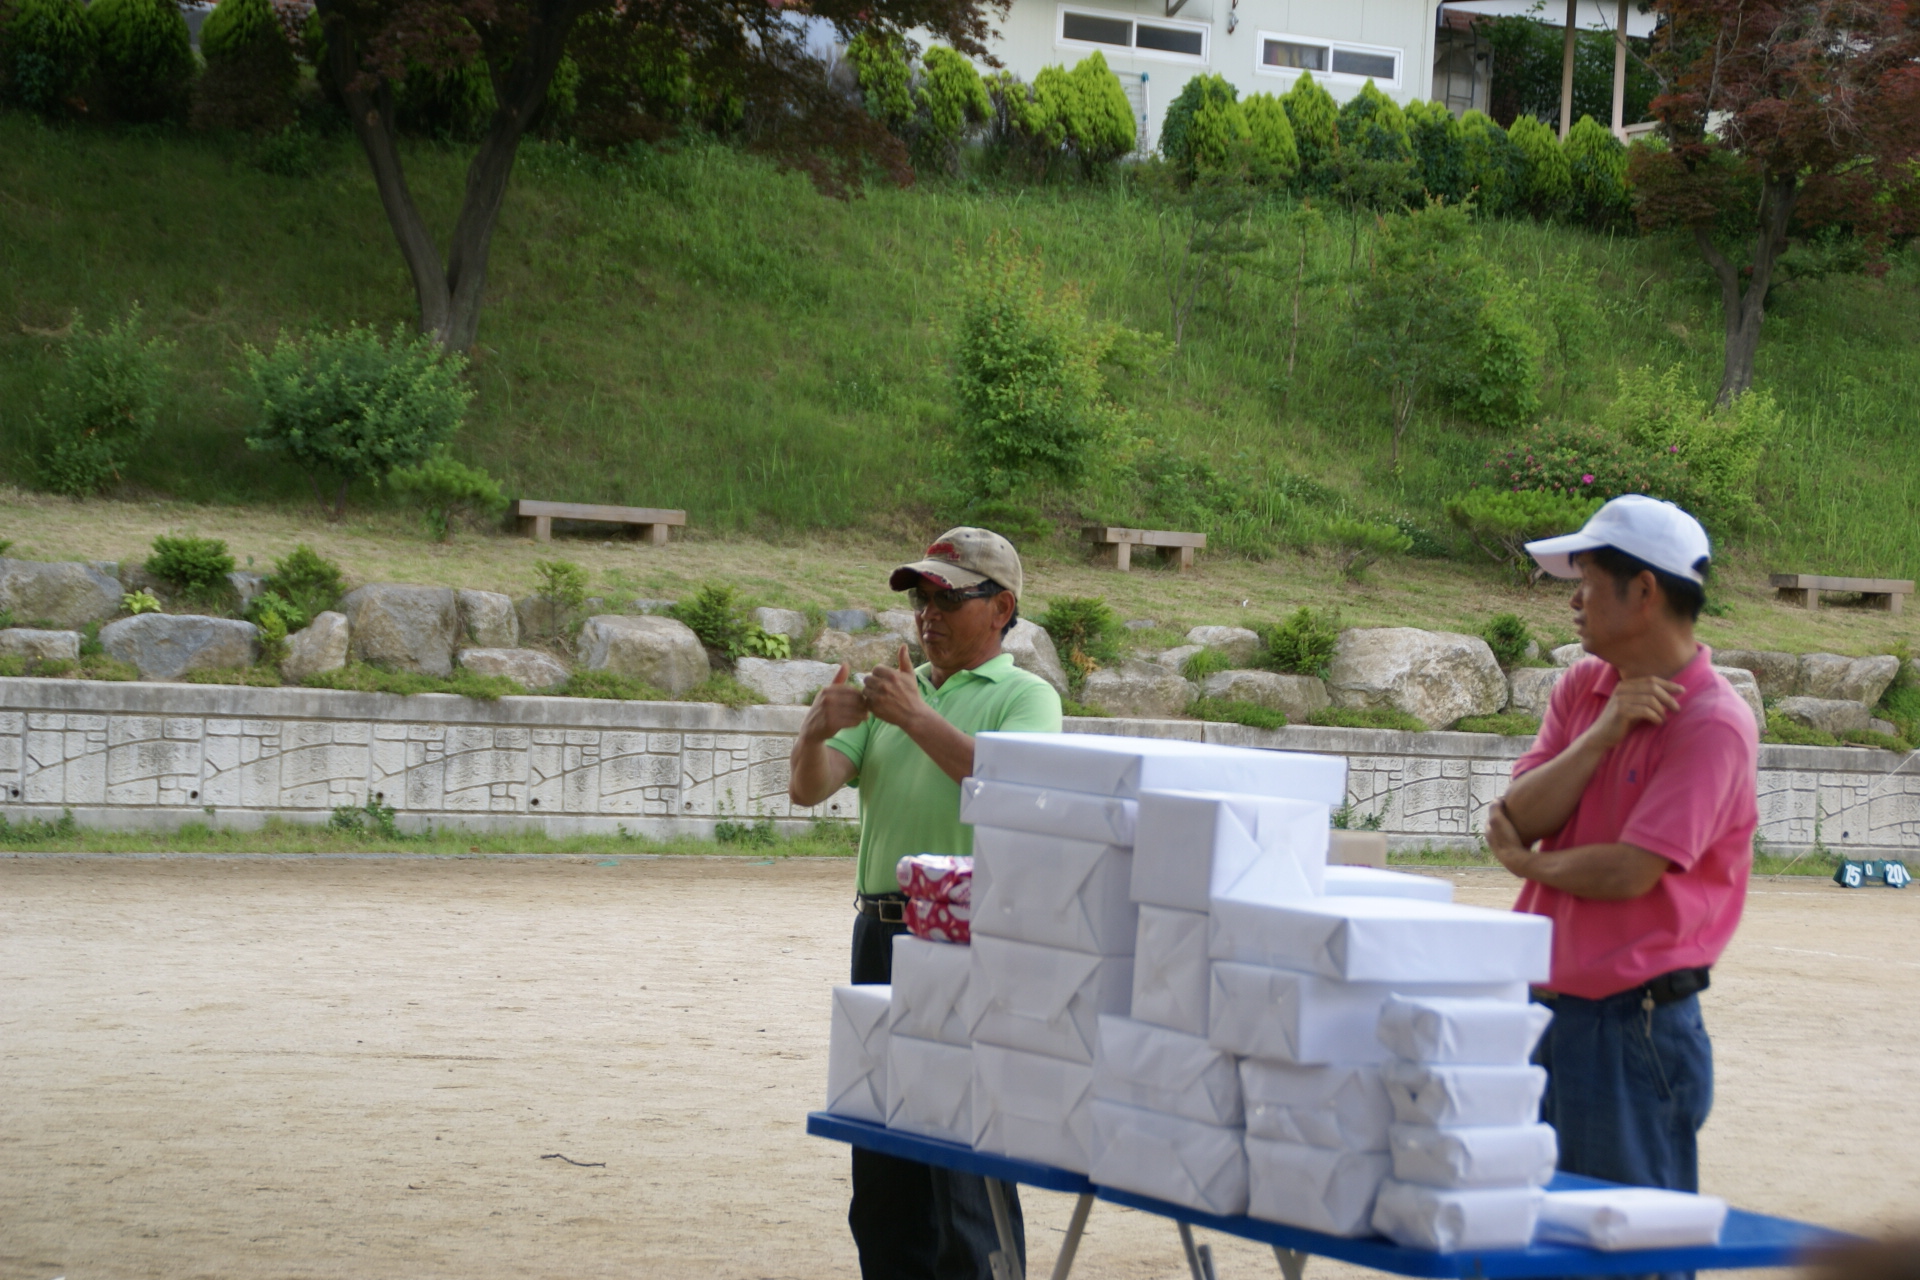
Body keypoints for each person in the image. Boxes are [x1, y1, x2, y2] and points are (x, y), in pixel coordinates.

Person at [788, 526, 1063, 1280]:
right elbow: (808, 787)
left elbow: (1014, 791)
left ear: (1002, 607)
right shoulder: (901, 690)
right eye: (920, 596)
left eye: (948, 595)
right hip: (877, 937)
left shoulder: (1025, 696)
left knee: (965, 1164)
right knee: (881, 1168)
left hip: (968, 948)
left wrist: (913, 716)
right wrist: (815, 728)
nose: (927, 612)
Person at [1485, 495, 1757, 1255]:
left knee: (1627, 1258)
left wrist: (1526, 867)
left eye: (1588, 580)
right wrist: (1603, 735)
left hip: (1632, 1027)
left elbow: (1632, 870)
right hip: (1542, 1006)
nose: (1572, 600)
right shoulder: (1582, 690)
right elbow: (1522, 810)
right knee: (1529, 1248)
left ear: (1644, 592)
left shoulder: (1712, 721)